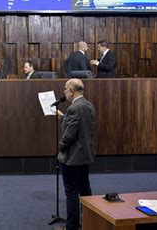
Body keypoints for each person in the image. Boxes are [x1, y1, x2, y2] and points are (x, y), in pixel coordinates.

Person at [57, 78, 95, 230]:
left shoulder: (73, 108)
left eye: (65, 89)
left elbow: (70, 136)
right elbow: (81, 127)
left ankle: (72, 226)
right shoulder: (88, 105)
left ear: (72, 91)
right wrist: (63, 118)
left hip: (72, 157)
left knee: (71, 192)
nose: (64, 92)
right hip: (85, 155)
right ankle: (89, 221)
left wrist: (61, 147)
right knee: (85, 189)